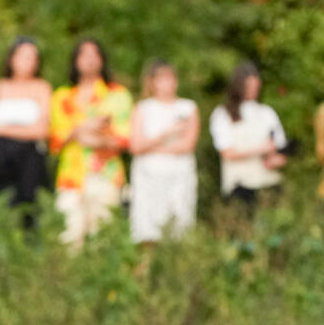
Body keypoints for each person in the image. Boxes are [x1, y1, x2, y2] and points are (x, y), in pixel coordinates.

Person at [49, 38, 132, 246]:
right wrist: (90, 126)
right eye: (84, 54)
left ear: (102, 60)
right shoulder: (62, 97)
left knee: (103, 238)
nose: (89, 60)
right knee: (69, 237)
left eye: (94, 54)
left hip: (106, 173)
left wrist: (80, 132)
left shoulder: (117, 95)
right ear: (75, 60)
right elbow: (56, 140)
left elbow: (122, 139)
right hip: (70, 176)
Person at [0, 35, 52, 219]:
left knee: (29, 209)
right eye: (24, 56)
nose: (28, 61)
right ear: (12, 58)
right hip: (0, 158)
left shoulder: (42, 87)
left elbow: (43, 131)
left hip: (31, 159)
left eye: (33, 57)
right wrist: (25, 130)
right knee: (1, 206)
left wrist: (2, 128)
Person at [128, 60, 199, 244]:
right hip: (148, 178)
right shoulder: (142, 108)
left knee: (179, 226)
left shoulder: (188, 107)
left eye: (170, 78)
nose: (167, 83)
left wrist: (152, 148)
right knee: (147, 228)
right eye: (162, 78)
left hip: (179, 177)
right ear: (152, 82)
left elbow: (187, 146)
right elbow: (136, 146)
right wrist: (167, 134)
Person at [209, 62, 288, 209]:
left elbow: (281, 148)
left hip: (268, 183)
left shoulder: (266, 112)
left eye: (255, 87)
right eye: (249, 86)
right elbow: (228, 153)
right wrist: (261, 149)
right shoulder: (223, 114)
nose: (253, 91)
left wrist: (275, 159)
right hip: (240, 185)